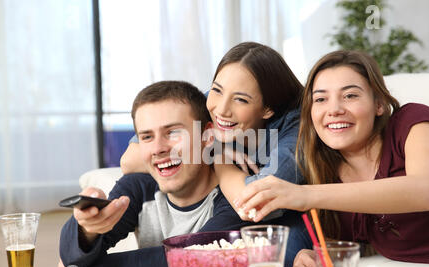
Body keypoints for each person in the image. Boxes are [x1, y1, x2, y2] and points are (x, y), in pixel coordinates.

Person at [58, 80, 310, 267]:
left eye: (173, 132)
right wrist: (87, 229)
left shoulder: (233, 199)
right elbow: (73, 254)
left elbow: (191, 265)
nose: (158, 148)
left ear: (208, 138)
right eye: (146, 137)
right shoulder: (138, 187)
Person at [233, 50, 429, 267]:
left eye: (350, 95)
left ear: (379, 104)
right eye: (321, 99)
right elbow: (355, 244)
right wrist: (311, 258)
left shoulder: (413, 122)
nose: (334, 109)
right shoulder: (325, 174)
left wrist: (304, 195)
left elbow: (424, 192)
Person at [121, 42, 306, 222]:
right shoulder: (210, 101)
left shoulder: (297, 132)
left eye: (240, 100)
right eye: (217, 89)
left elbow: (255, 206)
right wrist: (210, 149)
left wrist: (218, 159)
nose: (221, 109)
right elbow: (129, 161)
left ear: (268, 109)